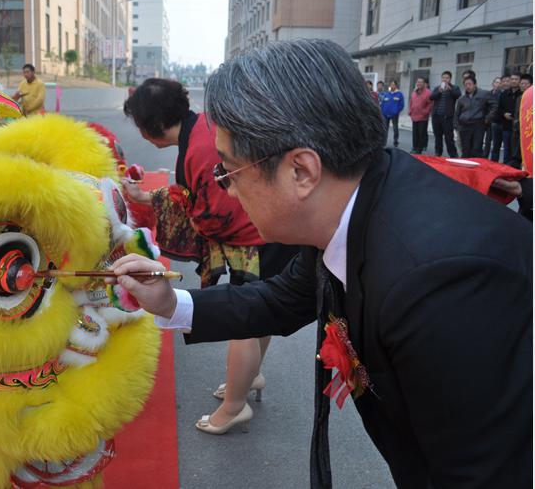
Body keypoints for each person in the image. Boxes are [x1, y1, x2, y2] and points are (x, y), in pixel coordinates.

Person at [111, 39, 532, 488]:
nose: (227, 192)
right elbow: (281, 298)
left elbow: (479, 472)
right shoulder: (357, 198)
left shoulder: (440, 285)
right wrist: (168, 302)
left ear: (302, 172)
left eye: (228, 172)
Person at [122, 78, 299, 435]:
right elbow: (191, 194)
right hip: (269, 230)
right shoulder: (203, 125)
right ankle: (249, 376)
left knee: (245, 320)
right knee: (261, 312)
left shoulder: (200, 148)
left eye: (141, 127)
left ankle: (235, 406)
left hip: (254, 238)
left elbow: (214, 210)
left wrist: (190, 228)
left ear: (152, 125)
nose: (141, 135)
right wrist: (146, 198)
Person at [454, 76, 498, 158]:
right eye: (466, 84)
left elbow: (494, 105)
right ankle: (465, 168)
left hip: (478, 125)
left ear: (475, 84)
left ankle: (476, 168)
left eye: (470, 84)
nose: (468, 86)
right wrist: (457, 126)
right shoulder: (462, 99)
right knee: (465, 150)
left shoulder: (484, 94)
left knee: (476, 149)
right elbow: (457, 113)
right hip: (464, 126)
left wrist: (488, 118)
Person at [430, 71, 462, 157]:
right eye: (443, 78)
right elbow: (431, 97)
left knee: (449, 138)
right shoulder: (437, 88)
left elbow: (458, 95)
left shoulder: (454, 87)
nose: (445, 79)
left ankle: (453, 154)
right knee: (437, 137)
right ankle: (438, 153)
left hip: (447, 117)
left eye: (447, 78)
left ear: (450, 79)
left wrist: (450, 89)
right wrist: (439, 92)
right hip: (436, 116)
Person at [499, 72, 524, 163]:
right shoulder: (504, 93)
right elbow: (499, 108)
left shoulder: (523, 94)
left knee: (516, 150)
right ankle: (505, 167)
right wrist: (504, 114)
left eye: (516, 79)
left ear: (520, 81)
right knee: (506, 149)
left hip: (518, 128)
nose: (514, 81)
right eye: (512, 79)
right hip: (506, 125)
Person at [408, 77, 433, 154]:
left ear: (424, 83)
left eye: (421, 82)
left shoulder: (428, 93)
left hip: (423, 117)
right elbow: (411, 102)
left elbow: (431, 103)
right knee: (415, 133)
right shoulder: (414, 92)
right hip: (414, 115)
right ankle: (414, 147)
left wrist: (426, 111)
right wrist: (410, 110)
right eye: (418, 82)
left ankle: (420, 149)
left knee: (421, 133)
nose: (419, 83)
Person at [485, 77, 505, 160]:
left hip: (497, 121)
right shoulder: (488, 93)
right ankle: (484, 157)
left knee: (496, 143)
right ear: (493, 83)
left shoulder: (502, 94)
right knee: (487, 141)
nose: (497, 84)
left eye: (499, 83)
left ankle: (494, 160)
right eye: (496, 82)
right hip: (488, 120)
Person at [379, 81, 404, 147]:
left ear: (396, 86)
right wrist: (383, 112)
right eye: (391, 84)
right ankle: (384, 142)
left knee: (395, 128)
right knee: (385, 128)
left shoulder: (399, 94)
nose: (392, 86)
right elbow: (383, 104)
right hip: (386, 115)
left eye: (393, 84)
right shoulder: (387, 94)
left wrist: (396, 111)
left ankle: (395, 141)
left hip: (394, 115)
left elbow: (401, 105)